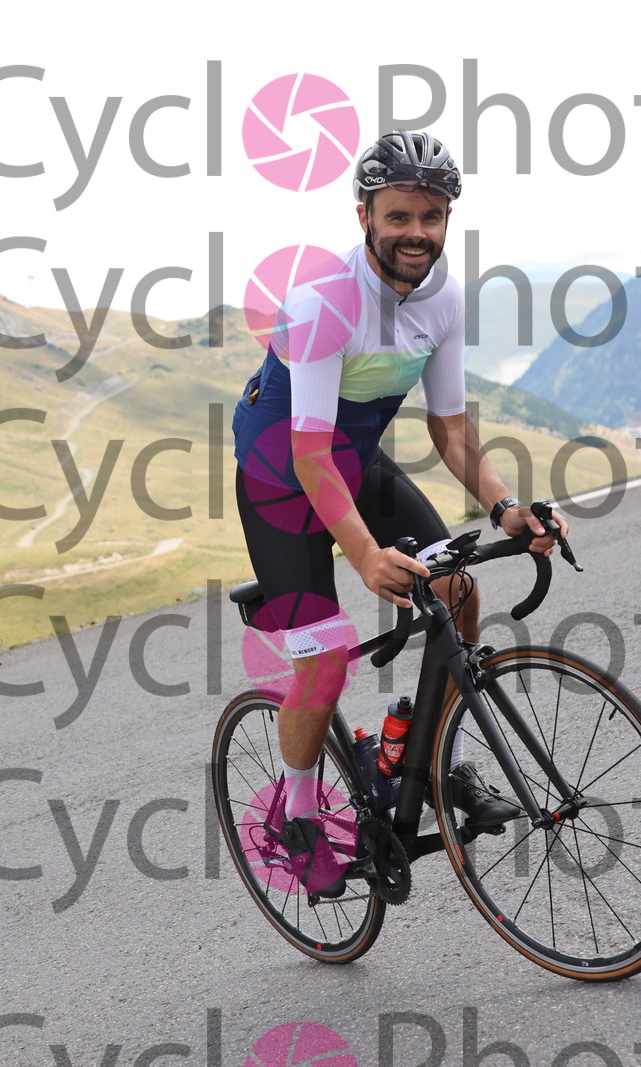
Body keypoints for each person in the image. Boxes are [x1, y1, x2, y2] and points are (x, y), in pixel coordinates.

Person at [231, 130, 569, 895]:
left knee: (458, 589)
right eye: (399, 216)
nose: (417, 232)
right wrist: (362, 553)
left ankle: (431, 758)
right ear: (365, 216)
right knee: (324, 659)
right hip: (280, 477)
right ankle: (297, 816)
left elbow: (450, 428)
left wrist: (505, 506)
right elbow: (309, 455)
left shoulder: (443, 297)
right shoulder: (324, 302)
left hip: (354, 463)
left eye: (432, 216)